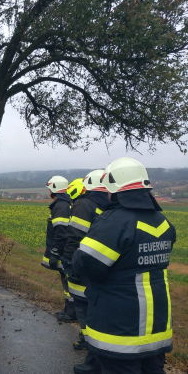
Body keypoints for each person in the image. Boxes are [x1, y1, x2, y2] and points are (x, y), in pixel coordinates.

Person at [72, 158, 175, 374]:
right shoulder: (162, 222)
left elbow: (87, 264)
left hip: (120, 328)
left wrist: (76, 254)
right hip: (156, 326)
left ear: (115, 189)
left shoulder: (114, 222)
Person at [63, 171, 108, 374]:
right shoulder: (108, 205)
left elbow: (74, 237)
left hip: (82, 264)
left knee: (83, 306)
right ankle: (95, 350)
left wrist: (68, 262)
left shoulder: (83, 205)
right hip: (100, 266)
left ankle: (92, 351)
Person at [42, 175, 75, 322]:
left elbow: (61, 233)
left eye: (50, 188)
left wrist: (54, 253)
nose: (49, 191)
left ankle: (71, 313)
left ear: (54, 189)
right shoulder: (63, 204)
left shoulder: (60, 206)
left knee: (68, 280)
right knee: (66, 280)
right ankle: (69, 310)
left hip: (63, 253)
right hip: (65, 252)